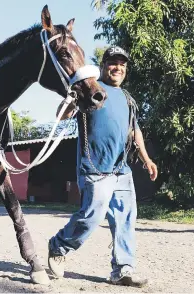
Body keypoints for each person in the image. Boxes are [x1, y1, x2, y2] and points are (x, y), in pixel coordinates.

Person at [48, 46, 158, 287]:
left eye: (122, 64)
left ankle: (122, 268)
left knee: (126, 218)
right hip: (95, 168)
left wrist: (147, 159)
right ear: (103, 65)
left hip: (121, 170)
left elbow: (134, 130)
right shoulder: (91, 89)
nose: (117, 67)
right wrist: (72, 97)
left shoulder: (127, 98)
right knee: (91, 217)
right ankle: (58, 246)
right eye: (112, 62)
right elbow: (62, 114)